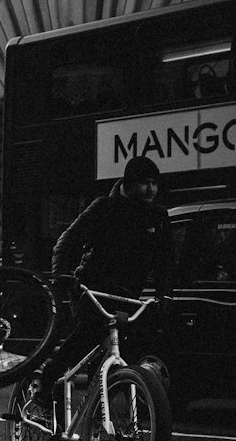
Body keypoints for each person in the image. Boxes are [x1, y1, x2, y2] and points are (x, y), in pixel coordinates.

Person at [29, 155, 174, 420]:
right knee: (89, 334)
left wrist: (164, 294)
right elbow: (67, 241)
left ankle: (92, 420)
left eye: (155, 184)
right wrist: (62, 275)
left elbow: (165, 261)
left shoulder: (159, 216)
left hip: (128, 296)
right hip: (91, 290)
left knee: (118, 352)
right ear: (129, 184)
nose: (151, 190)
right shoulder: (104, 208)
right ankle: (49, 376)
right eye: (145, 183)